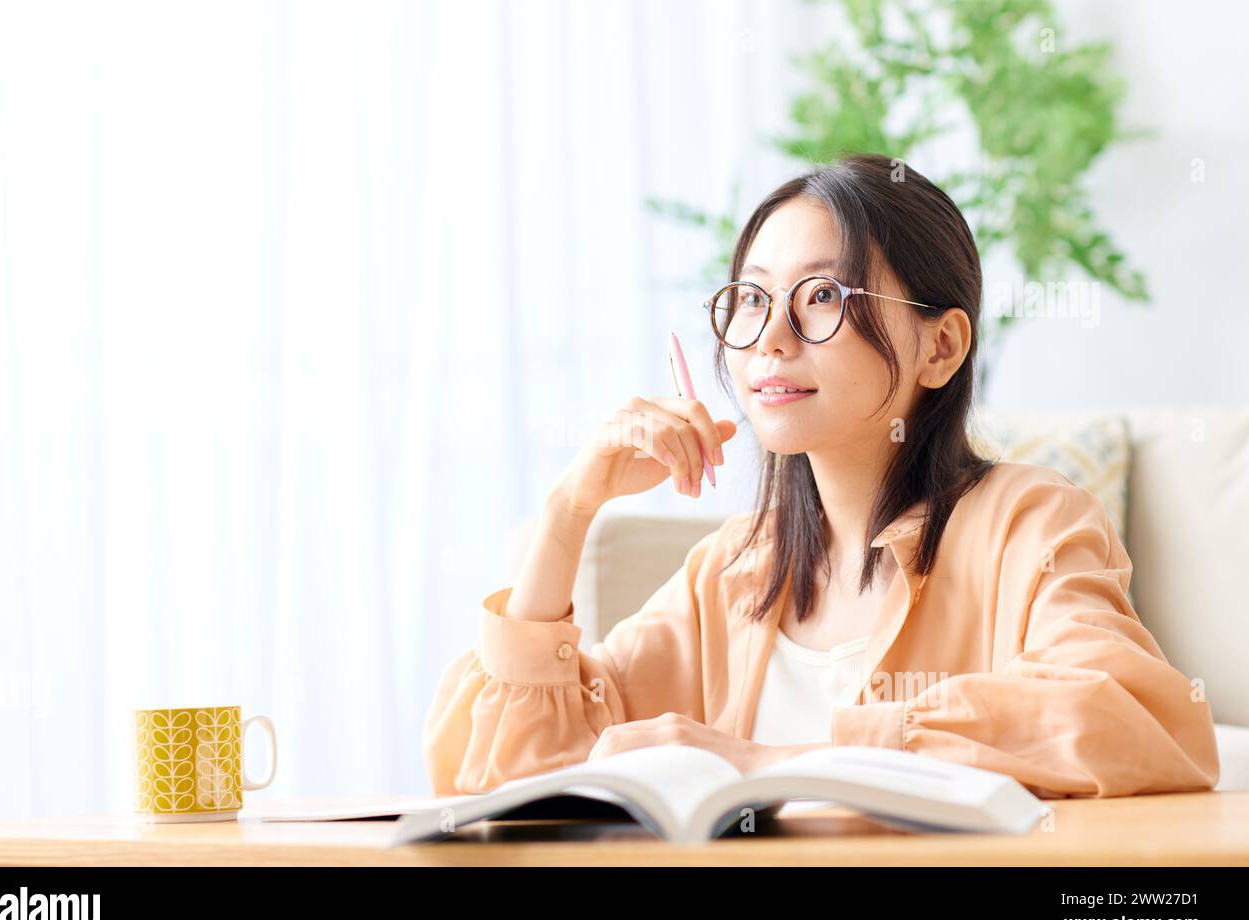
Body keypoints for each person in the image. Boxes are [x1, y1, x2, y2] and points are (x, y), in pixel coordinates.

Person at [422, 153, 1220, 800]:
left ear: (941, 347)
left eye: (823, 296)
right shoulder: (732, 572)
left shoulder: (1028, 523)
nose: (769, 337)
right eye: (751, 298)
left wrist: (773, 763)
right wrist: (571, 507)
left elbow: (1141, 718)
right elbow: (508, 774)